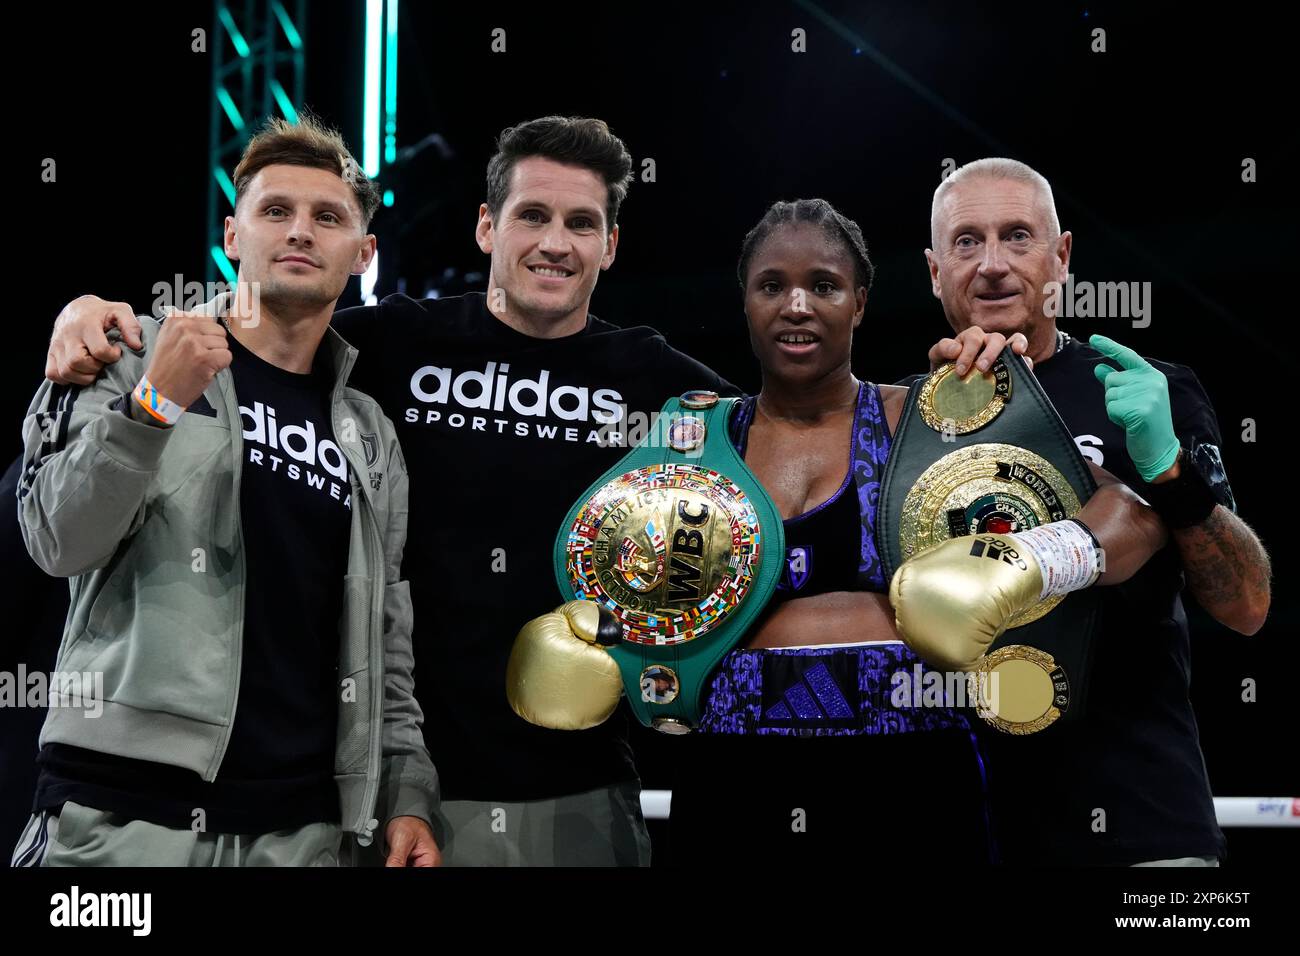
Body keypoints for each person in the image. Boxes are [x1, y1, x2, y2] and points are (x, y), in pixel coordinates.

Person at [38, 116, 731, 866]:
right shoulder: (385, 348)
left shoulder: (662, 387)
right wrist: (90, 317)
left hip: (564, 791)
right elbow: (263, 323)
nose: (555, 243)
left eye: (581, 223)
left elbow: (796, 430)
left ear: (611, 244)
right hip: (349, 801)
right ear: (486, 226)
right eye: (532, 215)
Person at [508, 198, 1171, 864]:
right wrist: (610, 647)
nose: (797, 305)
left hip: (911, 776)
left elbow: (1133, 516)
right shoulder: (689, 447)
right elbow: (634, 609)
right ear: (747, 301)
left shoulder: (928, 420)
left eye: (822, 285)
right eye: (773, 286)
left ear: (857, 303)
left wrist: (1028, 558)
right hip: (731, 779)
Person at [12, 116, 438, 867]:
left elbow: (384, 641)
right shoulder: (128, 349)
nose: (300, 232)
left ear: (363, 253)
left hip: (298, 830)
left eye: (327, 217)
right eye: (275, 211)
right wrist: (150, 407)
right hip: (121, 813)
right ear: (234, 234)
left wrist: (406, 793)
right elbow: (55, 541)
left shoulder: (371, 433)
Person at [917, 157, 1272, 865]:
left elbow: (1247, 605)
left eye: (1018, 236)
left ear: (1063, 257)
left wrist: (1169, 471)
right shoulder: (901, 419)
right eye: (966, 242)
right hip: (962, 825)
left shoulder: (1145, 391)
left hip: (1142, 821)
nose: (991, 265)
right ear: (934, 272)